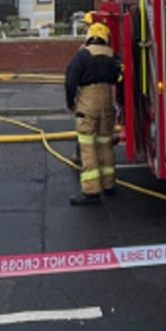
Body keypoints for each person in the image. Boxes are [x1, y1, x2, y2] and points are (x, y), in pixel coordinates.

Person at [64, 22, 120, 205]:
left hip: (88, 101)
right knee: (105, 142)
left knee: (87, 145)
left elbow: (70, 80)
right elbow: (120, 77)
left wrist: (70, 103)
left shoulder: (82, 55)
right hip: (107, 101)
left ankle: (91, 191)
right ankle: (109, 184)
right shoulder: (113, 55)